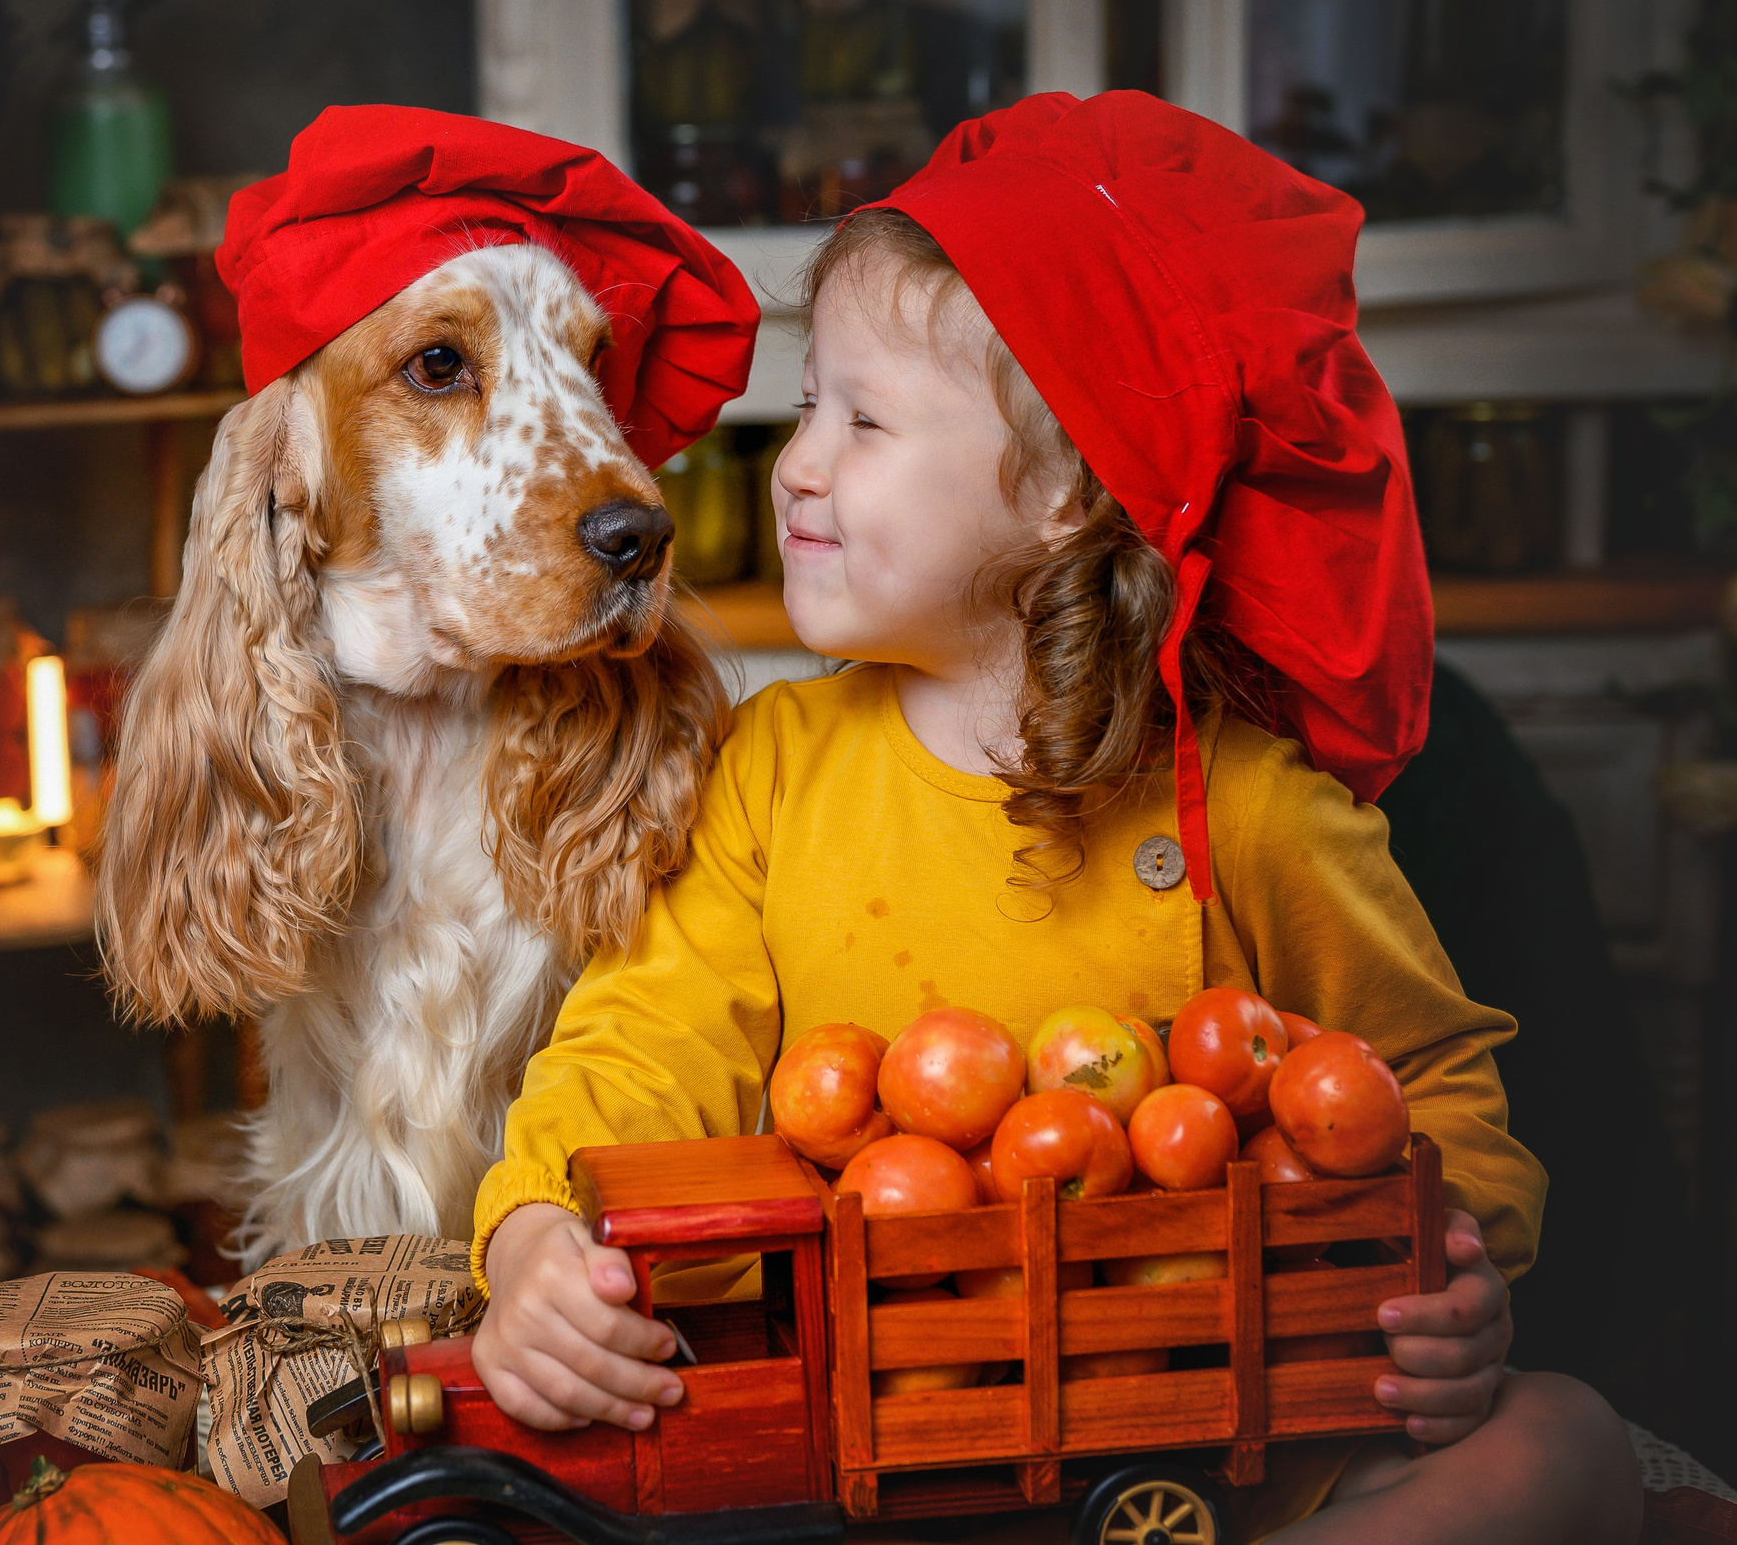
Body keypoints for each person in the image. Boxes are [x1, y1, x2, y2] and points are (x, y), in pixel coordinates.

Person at [466, 93, 1642, 1543]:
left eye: (866, 418)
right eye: (807, 404)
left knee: (1562, 1446)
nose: (799, 464)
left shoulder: (1252, 802)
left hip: (1225, 1444)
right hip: (883, 1442)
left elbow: (1428, 1077)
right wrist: (536, 1240)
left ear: (1074, 496)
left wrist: (1456, 1267)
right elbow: (642, 1041)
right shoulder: (769, 769)